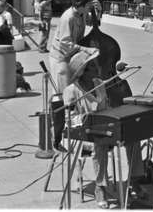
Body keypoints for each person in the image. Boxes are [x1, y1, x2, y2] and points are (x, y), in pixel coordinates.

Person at [63, 50, 147, 209]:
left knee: (134, 136)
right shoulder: (71, 91)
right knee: (99, 144)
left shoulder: (98, 83)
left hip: (103, 128)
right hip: (82, 136)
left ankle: (133, 180)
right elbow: (69, 120)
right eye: (93, 65)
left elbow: (106, 107)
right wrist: (89, 118)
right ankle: (100, 187)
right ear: (84, 72)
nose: (98, 67)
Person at [49, 0, 99, 93]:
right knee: (64, 93)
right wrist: (87, 50)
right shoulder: (68, 18)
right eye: (90, 4)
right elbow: (65, 44)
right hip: (60, 58)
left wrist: (99, 10)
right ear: (82, 4)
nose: (91, 6)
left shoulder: (82, 13)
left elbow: (92, 22)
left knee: (71, 92)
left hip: (70, 57)